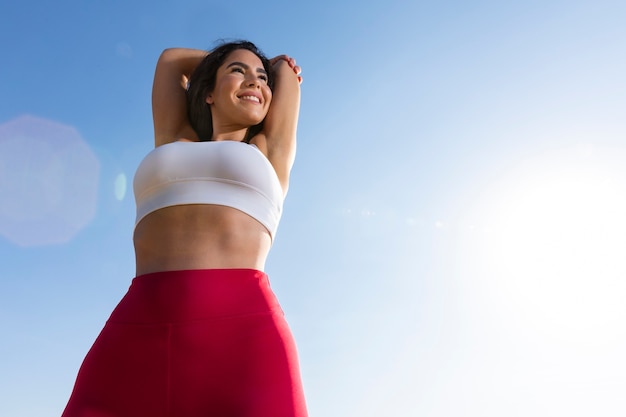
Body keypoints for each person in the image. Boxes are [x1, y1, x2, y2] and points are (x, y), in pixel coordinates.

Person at [61, 40, 307, 417]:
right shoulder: (174, 137)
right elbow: (171, 61)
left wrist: (273, 66)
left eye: (261, 77)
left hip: (244, 336)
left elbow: (286, 76)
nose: (254, 82)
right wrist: (230, 61)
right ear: (207, 92)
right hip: (139, 327)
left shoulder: (268, 149)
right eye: (238, 72)